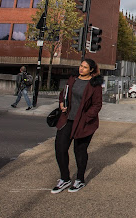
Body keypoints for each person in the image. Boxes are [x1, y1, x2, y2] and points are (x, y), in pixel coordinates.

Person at [51, 59, 103, 194]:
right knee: (60, 148)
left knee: (79, 151)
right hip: (66, 119)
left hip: (84, 122)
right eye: (81, 66)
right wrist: (62, 102)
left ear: (91, 70)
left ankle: (80, 179)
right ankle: (65, 178)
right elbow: (64, 93)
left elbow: (97, 105)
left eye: (85, 67)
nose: (81, 69)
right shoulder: (73, 78)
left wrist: (86, 117)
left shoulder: (94, 84)